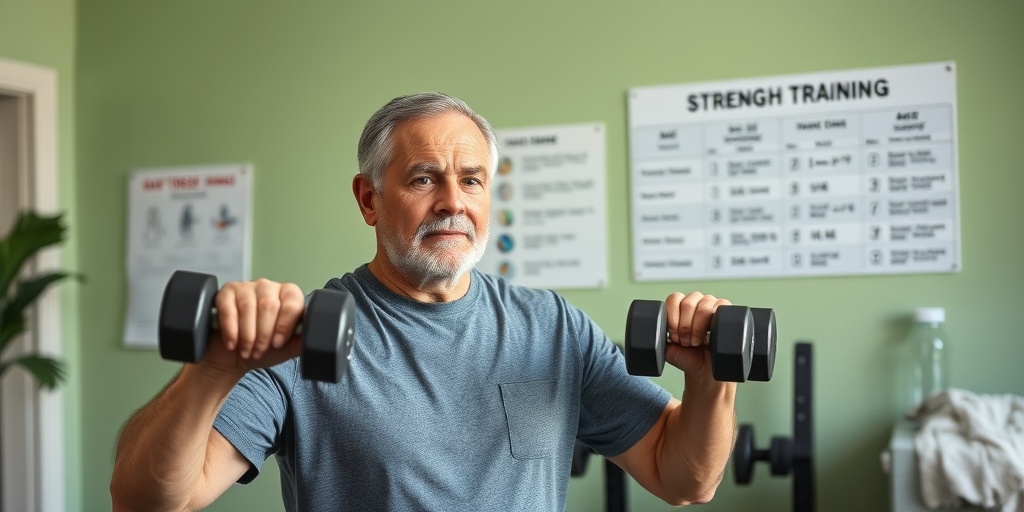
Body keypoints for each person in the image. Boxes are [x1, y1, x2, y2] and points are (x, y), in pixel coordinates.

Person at [110, 92, 737, 511]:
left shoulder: (554, 329)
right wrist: (212, 370)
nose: (453, 203)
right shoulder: (299, 340)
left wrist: (711, 385)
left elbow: (683, 478)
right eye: (422, 178)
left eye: (471, 180)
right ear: (367, 200)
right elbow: (150, 501)